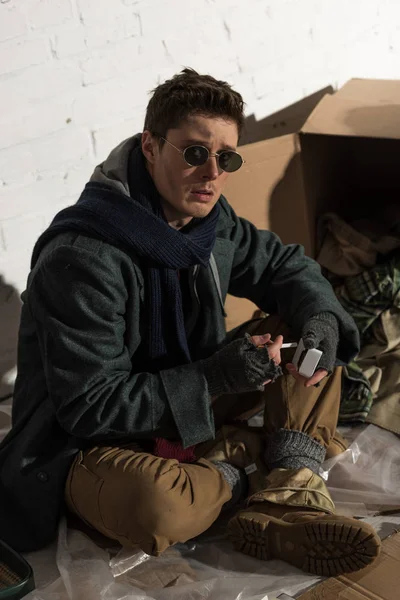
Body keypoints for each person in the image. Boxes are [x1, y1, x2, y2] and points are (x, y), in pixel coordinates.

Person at [0, 68, 380, 576]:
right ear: (151, 146)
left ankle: (285, 490)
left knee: (307, 324)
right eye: (196, 152)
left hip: (187, 392)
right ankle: (254, 465)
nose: (212, 175)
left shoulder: (209, 220)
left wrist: (319, 321)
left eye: (227, 158)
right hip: (91, 443)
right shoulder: (82, 259)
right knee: (156, 506)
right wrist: (216, 377)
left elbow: (283, 266)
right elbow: (90, 409)